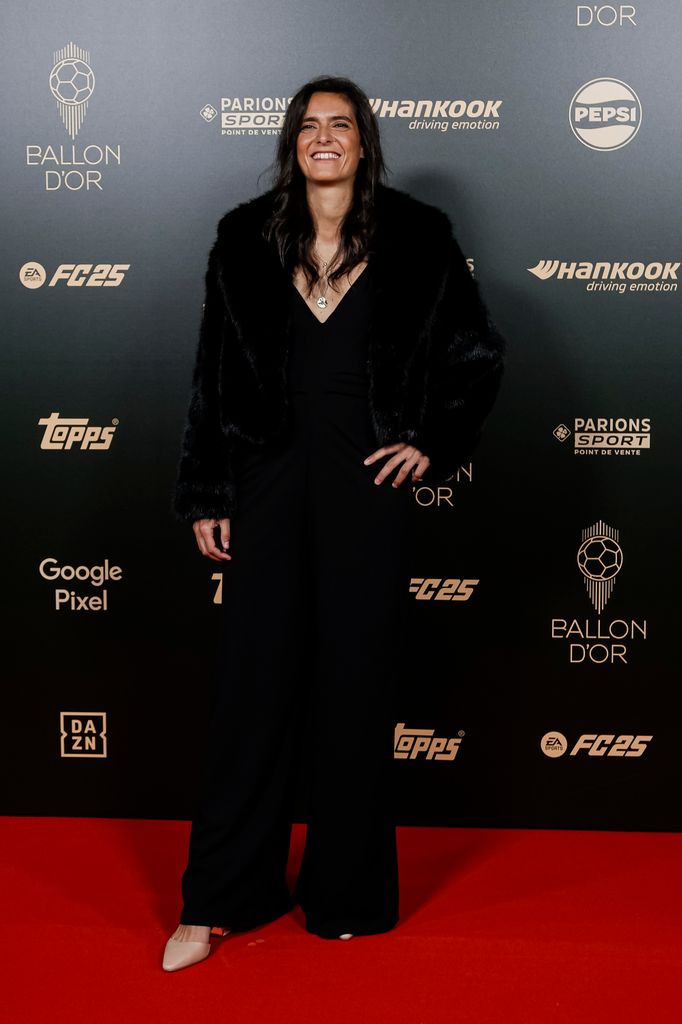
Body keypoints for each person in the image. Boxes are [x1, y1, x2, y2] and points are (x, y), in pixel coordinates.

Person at [163, 74, 505, 972]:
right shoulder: (244, 238)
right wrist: (206, 492)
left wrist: (430, 440)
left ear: (364, 142)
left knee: (355, 687)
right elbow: (212, 376)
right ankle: (219, 900)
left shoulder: (419, 237)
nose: (324, 138)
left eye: (340, 125)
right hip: (267, 481)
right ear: (292, 142)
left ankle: (346, 894)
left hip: (365, 486)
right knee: (251, 688)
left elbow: (477, 356)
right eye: (309, 126)